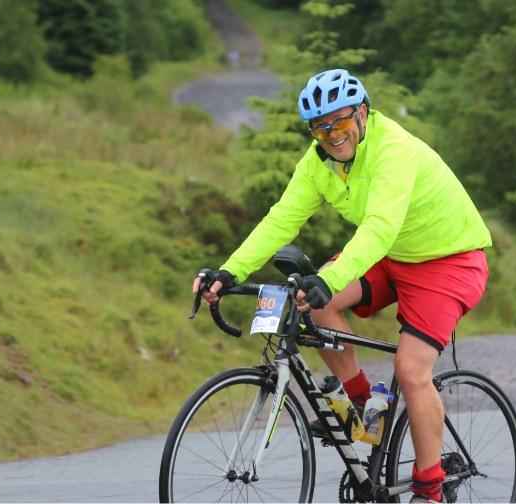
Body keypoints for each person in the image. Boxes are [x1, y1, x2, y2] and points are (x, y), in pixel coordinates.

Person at [193, 68, 491, 503]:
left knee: (411, 371)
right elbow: (281, 219)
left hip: (448, 261)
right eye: (320, 126)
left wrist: (328, 279)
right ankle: (367, 414)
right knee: (313, 306)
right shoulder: (319, 163)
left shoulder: (395, 150)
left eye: (340, 121)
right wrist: (229, 271)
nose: (332, 134)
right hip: (393, 257)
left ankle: (430, 491)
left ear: (363, 113)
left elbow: (379, 229)